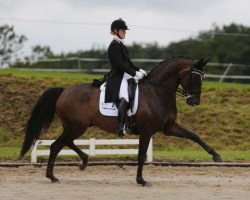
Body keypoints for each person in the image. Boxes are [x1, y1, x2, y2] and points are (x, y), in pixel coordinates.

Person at [105, 18, 147, 137]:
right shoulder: (114, 46)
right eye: (123, 30)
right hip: (117, 78)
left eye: (125, 30)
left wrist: (139, 70)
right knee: (125, 97)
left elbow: (129, 63)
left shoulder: (121, 45)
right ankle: (121, 126)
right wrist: (134, 74)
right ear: (116, 31)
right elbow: (120, 65)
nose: (125, 32)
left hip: (125, 75)